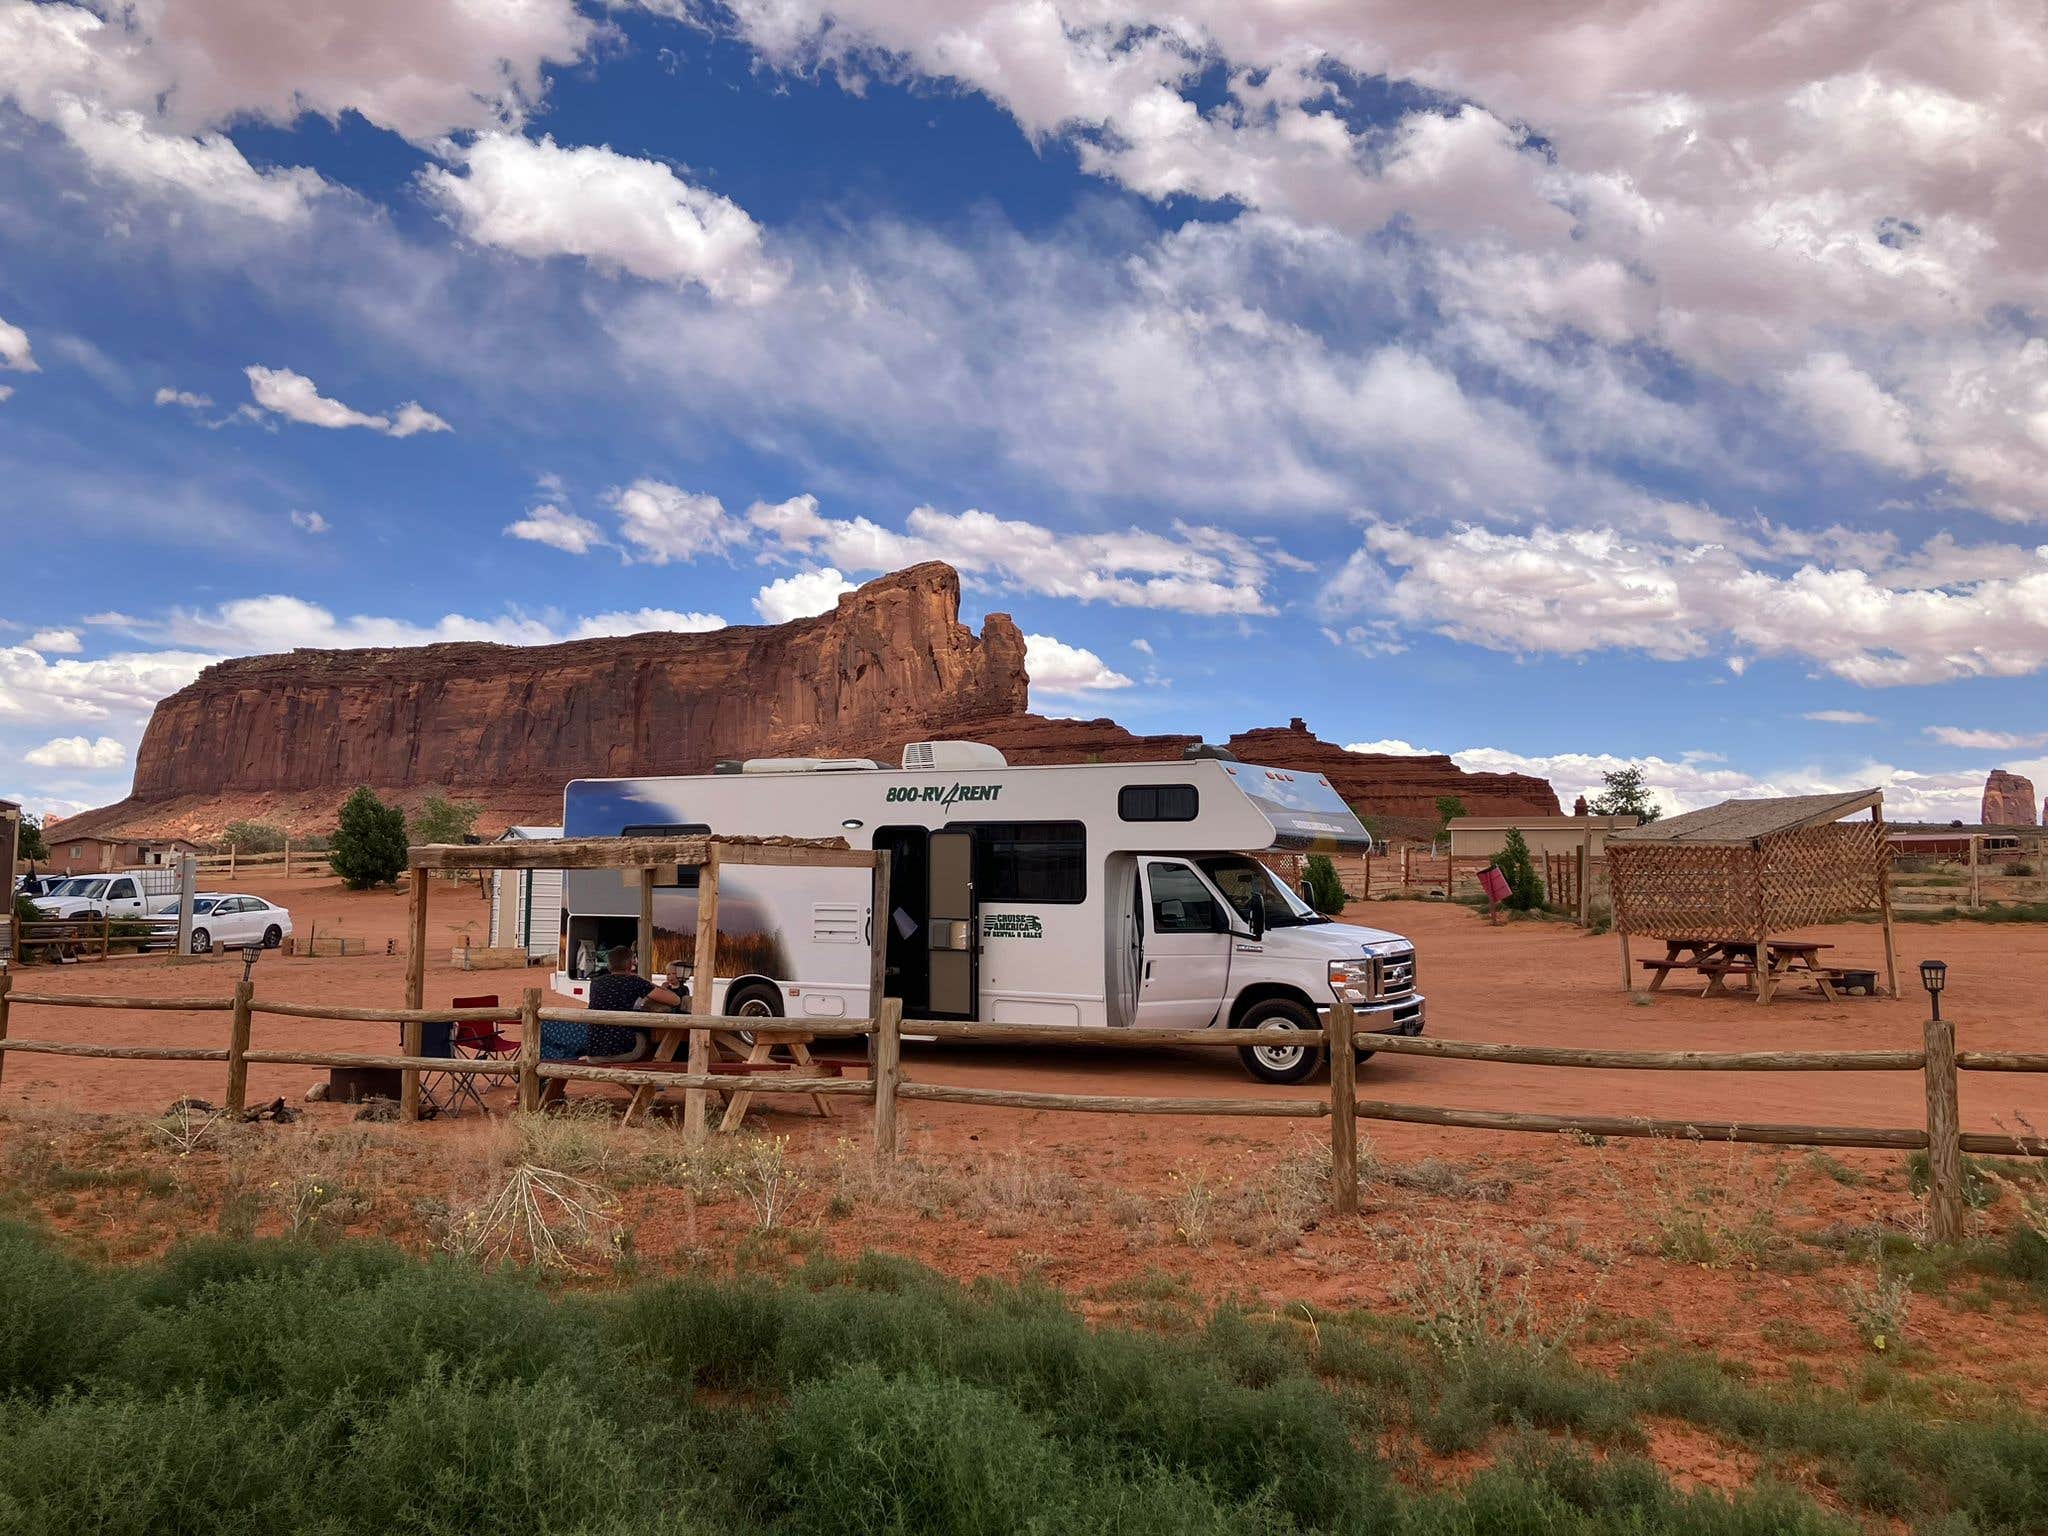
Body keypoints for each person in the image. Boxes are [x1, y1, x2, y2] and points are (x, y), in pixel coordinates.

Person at [582, 945, 682, 1063]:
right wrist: (648, 983)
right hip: (624, 1052)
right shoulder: (634, 981)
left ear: (609, 965)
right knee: (649, 1040)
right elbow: (675, 1000)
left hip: (594, 1052)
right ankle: (647, 1076)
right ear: (631, 964)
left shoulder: (596, 982)